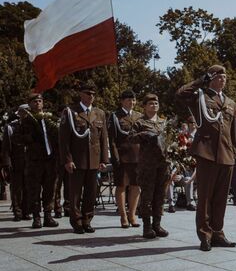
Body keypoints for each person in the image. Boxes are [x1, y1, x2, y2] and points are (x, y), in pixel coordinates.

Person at [176, 65, 236, 251]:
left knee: (220, 198)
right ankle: (205, 235)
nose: (223, 79)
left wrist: (234, 152)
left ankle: (218, 233)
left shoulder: (231, 102)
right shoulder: (200, 97)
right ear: (211, 78)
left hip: (226, 155)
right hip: (207, 152)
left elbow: (233, 130)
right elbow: (179, 94)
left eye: (224, 76)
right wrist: (201, 80)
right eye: (218, 76)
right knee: (205, 198)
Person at [59, 84, 109, 234]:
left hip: (93, 160)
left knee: (91, 192)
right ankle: (77, 221)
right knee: (75, 193)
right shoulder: (70, 112)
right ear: (80, 94)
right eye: (87, 93)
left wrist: (104, 160)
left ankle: (87, 219)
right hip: (77, 160)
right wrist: (67, 159)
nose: (91, 96)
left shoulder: (99, 113)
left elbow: (103, 138)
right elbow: (64, 139)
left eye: (93, 94)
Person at [129, 94, 170, 239]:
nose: (154, 106)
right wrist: (144, 135)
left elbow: (170, 140)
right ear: (145, 106)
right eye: (151, 104)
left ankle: (157, 225)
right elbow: (130, 138)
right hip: (147, 165)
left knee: (160, 195)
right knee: (147, 195)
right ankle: (147, 226)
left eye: (156, 103)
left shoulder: (163, 122)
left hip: (163, 164)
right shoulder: (140, 122)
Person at [17, 93, 59, 228]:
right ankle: (36, 217)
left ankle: (48, 216)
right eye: (34, 101)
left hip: (49, 159)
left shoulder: (49, 119)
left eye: (40, 101)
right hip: (34, 161)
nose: (37, 103)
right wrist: (29, 137)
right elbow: (16, 138)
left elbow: (58, 135)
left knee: (50, 189)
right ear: (29, 104)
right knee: (34, 190)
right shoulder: (25, 121)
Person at [108, 90, 143, 229]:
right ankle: (123, 216)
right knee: (122, 185)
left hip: (137, 156)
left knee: (136, 186)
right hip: (122, 156)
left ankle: (132, 215)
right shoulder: (115, 116)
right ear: (122, 101)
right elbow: (112, 140)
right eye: (128, 100)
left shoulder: (139, 116)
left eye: (133, 100)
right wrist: (115, 157)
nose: (131, 102)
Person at [2, 105, 29, 221]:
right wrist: (7, 164)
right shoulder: (11, 127)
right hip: (16, 161)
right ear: (19, 114)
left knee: (29, 187)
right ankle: (17, 211)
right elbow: (6, 148)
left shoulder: (33, 126)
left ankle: (26, 211)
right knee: (17, 188)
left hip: (31, 162)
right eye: (24, 112)